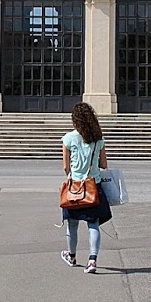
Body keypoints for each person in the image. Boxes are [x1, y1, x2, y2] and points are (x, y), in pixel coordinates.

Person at [60, 101, 112, 274]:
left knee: (72, 225)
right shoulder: (98, 140)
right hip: (93, 185)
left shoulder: (68, 139)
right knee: (93, 224)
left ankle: (72, 256)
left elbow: (66, 168)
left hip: (75, 186)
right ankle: (92, 260)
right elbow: (104, 164)